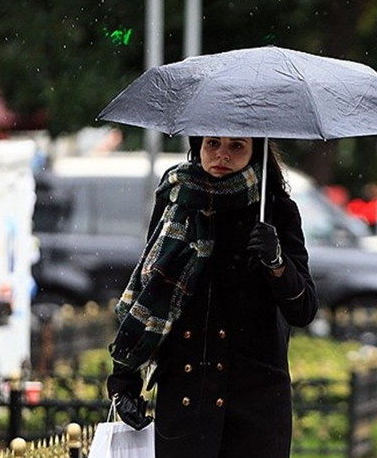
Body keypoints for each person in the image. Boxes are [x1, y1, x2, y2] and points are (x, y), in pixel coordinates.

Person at [106, 136, 318, 458]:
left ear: (254, 152)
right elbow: (149, 291)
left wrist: (276, 262)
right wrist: (125, 379)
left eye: (236, 146)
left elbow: (302, 309)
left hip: (253, 404)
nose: (222, 155)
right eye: (212, 143)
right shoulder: (176, 201)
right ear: (198, 145)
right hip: (187, 399)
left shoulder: (274, 208)